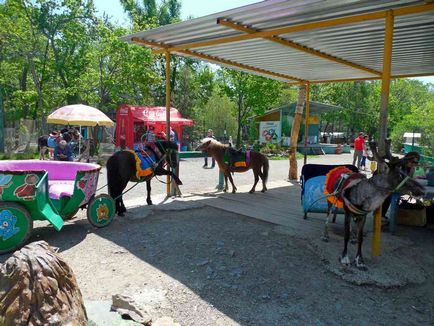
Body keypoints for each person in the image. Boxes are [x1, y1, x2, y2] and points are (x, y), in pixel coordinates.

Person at [381, 151, 421, 219]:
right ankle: (381, 215)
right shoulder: (399, 165)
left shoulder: (412, 169)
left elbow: (409, 180)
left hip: (399, 187)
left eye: (416, 163)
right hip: (388, 186)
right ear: (407, 159)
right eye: (412, 162)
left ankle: (394, 216)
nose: (413, 164)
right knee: (390, 196)